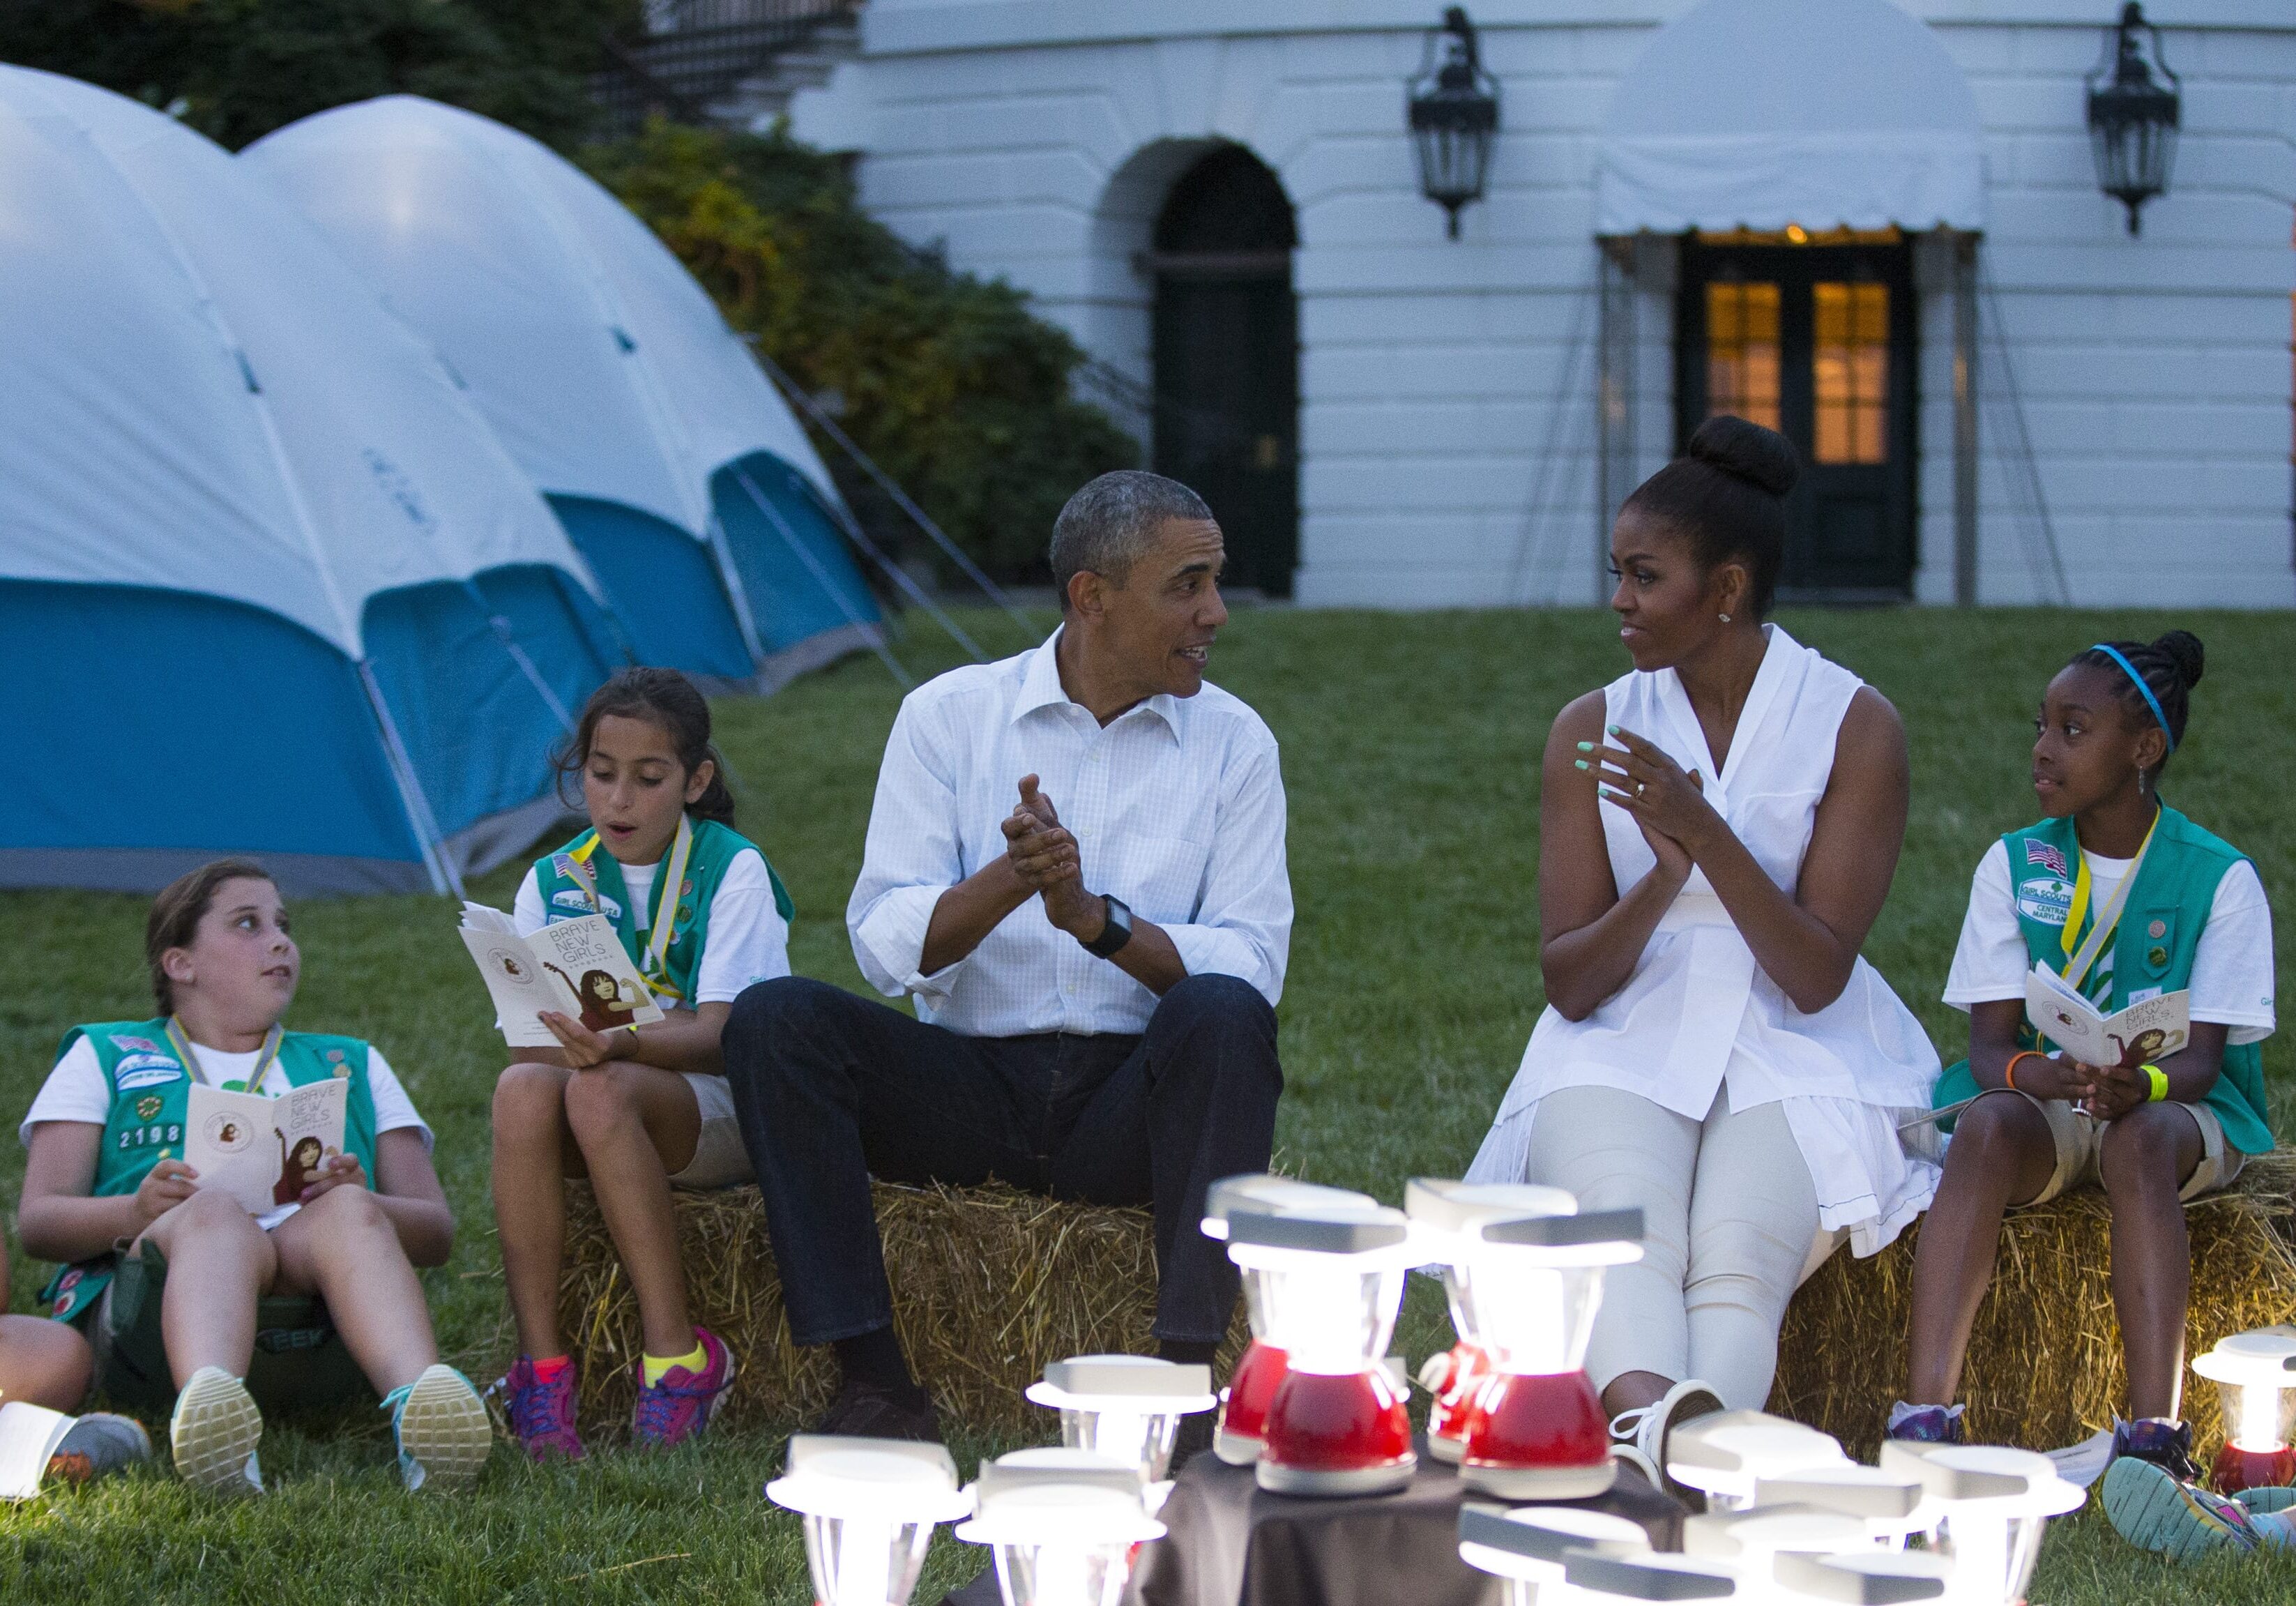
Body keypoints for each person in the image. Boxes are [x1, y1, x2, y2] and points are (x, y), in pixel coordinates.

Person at [724, 469, 1290, 1445]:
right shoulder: (948, 715)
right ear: (1092, 597)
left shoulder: (1235, 742)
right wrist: (1012, 879)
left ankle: (1187, 1381)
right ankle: (873, 1379)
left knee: (1225, 1012)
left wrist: (1093, 918)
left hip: (1131, 1106)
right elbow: (883, 943)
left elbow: (1251, 966)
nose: (1216, 613)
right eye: (1187, 584)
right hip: (968, 1087)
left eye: (1214, 582)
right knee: (777, 1019)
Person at [1463, 416, 1941, 1485]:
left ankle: (1648, 1468)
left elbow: (1816, 973)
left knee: (1736, 1263)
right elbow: (1571, 977)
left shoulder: (1856, 723)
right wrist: (1665, 879)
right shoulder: (1588, 725)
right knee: (1620, 1245)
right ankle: (1692, 1467)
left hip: (1797, 1038)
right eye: (1616, 573)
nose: (1619, 600)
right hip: (1628, 1028)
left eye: (1645, 575)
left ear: (1724, 588)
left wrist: (1706, 833)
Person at [1887, 634, 2276, 1555]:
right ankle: (1922, 1422)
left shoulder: (2216, 875)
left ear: (2141, 749)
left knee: (2138, 1141)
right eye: (2041, 726)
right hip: (2049, 1098)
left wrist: (2128, 1082)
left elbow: (2202, 1061)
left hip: (2174, 1108)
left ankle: (2155, 1441)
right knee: (1983, 1124)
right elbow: (1987, 1048)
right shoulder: (2015, 862)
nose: (2043, 750)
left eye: (2074, 728)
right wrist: (2038, 1076)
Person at [17, 861, 485, 1496]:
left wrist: (359, 1195)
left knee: (349, 1215)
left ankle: (420, 1414)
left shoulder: (350, 1061)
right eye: (247, 923)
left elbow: (435, 1234)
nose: (280, 940)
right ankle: (215, 1421)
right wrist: (134, 1211)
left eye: (283, 924)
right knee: (213, 1213)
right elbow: (39, 1222)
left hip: (315, 1327)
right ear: (180, 963)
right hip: (147, 1330)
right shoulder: (106, 1054)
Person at [491, 667, 795, 1460]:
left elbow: (728, 1031)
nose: (619, 799)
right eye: (601, 773)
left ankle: (679, 1356)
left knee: (599, 1092)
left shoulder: (732, 868)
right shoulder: (553, 879)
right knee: (522, 1088)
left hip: (719, 1108)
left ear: (695, 780)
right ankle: (541, 1366)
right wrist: (583, 1044)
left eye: (648, 777)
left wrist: (619, 1041)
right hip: (606, 1089)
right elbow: (528, 1042)